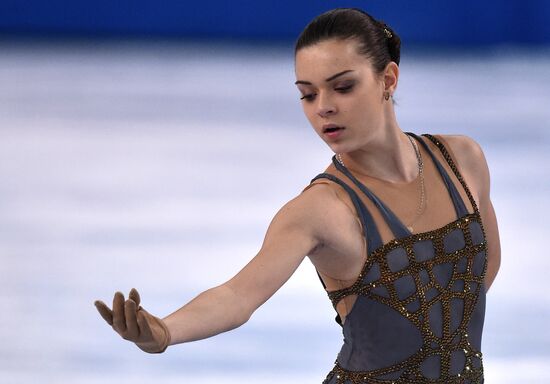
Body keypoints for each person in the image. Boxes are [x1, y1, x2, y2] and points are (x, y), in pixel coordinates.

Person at [94, 8, 500, 383]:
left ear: (388, 80)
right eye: (308, 94)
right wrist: (165, 331)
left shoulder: (462, 160)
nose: (323, 108)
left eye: (342, 87)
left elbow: (478, 274)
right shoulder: (320, 209)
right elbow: (238, 295)